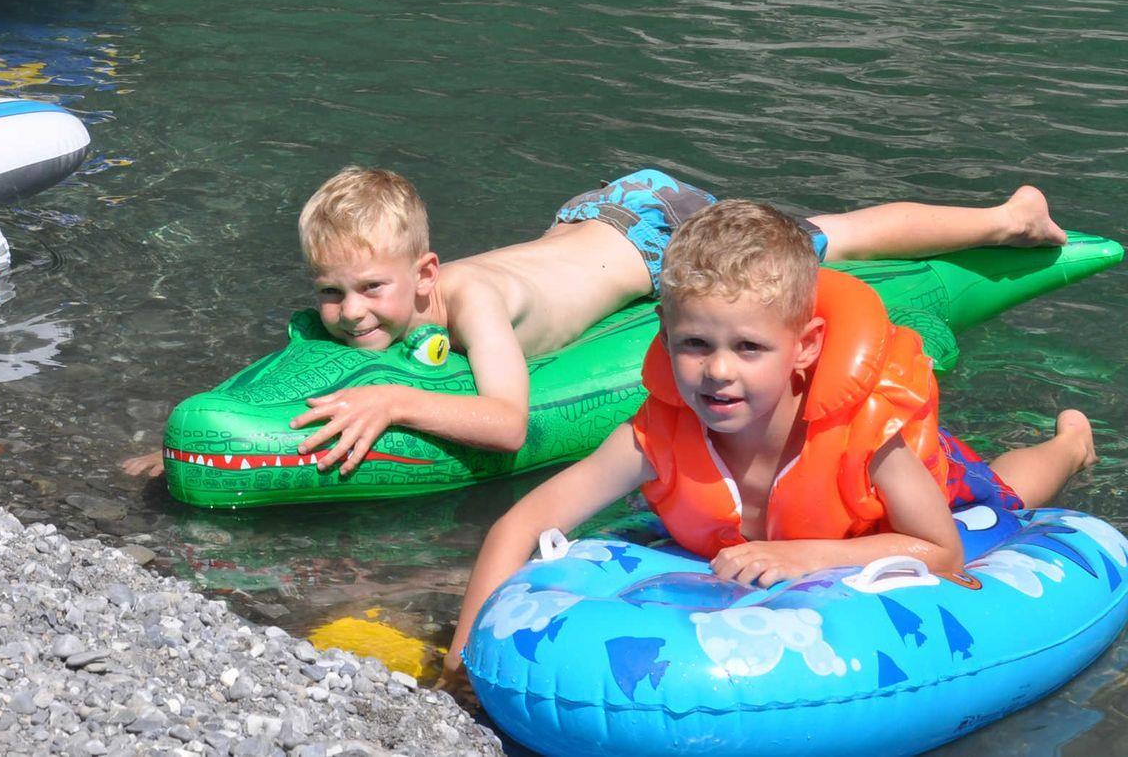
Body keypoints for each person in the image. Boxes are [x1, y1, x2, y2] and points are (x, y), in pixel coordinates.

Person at [445, 198, 1095, 669]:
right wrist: (460, 666)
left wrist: (805, 557)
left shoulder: (868, 435)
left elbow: (943, 551)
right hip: (785, 534)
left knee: (999, 492)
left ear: (806, 346)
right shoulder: (653, 437)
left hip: (900, 503)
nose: (718, 372)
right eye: (694, 344)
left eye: (749, 347)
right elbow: (519, 524)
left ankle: (1071, 443)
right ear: (665, 338)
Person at [122, 165, 1067, 478]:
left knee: (823, 238)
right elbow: (297, 388)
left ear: (425, 276)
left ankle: (1006, 217)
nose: (348, 313)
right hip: (586, 219)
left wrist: (397, 401)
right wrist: (179, 455)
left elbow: (507, 422)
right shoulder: (369, 304)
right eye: (330, 294)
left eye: (370, 290)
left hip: (649, 235)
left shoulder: (475, 302)